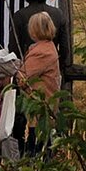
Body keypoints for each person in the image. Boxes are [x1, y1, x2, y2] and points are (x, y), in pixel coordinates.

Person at [17, 12, 64, 153]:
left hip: (39, 108)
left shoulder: (41, 52)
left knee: (36, 147)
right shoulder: (48, 46)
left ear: (35, 30)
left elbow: (22, 77)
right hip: (45, 105)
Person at [11, 0, 71, 71]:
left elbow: (13, 48)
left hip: (27, 69)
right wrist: (58, 64)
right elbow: (64, 48)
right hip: (51, 66)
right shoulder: (58, 14)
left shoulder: (19, 16)